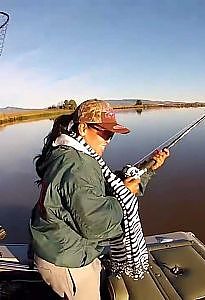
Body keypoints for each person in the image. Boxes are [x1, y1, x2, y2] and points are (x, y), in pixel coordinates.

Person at [30, 99, 169, 300]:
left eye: (111, 133)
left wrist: (150, 167)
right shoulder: (78, 165)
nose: (108, 138)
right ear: (83, 128)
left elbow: (105, 188)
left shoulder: (69, 151)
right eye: (104, 131)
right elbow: (97, 224)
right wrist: (127, 193)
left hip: (65, 250)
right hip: (69, 261)